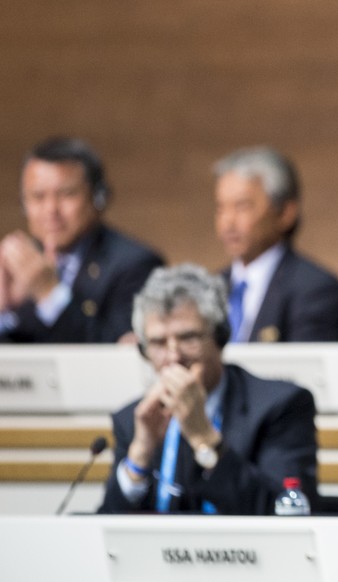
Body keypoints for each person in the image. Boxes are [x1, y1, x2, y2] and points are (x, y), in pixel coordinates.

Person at [99, 263, 319, 515]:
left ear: (221, 337)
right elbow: (107, 533)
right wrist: (139, 457)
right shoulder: (133, 419)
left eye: (188, 338)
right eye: (158, 342)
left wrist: (203, 436)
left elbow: (283, 511)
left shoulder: (280, 406)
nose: (173, 357)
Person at [0, 137, 164, 343]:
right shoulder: (18, 264)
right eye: (38, 197)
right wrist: (4, 311)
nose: (51, 210)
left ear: (98, 198)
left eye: (66, 194)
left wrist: (50, 295)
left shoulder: (136, 265)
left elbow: (118, 357)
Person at [213, 146, 338, 342]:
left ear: (286, 212)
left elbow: (305, 370)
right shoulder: (210, 288)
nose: (228, 222)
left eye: (242, 206)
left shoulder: (316, 290)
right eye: (220, 208)